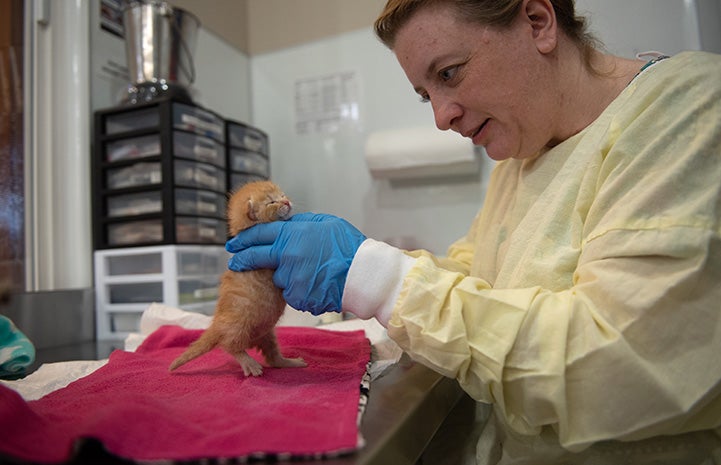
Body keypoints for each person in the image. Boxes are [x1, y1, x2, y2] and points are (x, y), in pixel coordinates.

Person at [225, 0, 721, 463]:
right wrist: (365, 267)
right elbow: (471, 270)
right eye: (427, 95)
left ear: (537, 21)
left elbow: (619, 363)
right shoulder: (521, 155)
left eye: (449, 73)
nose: (442, 117)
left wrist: (377, 278)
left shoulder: (689, 109)